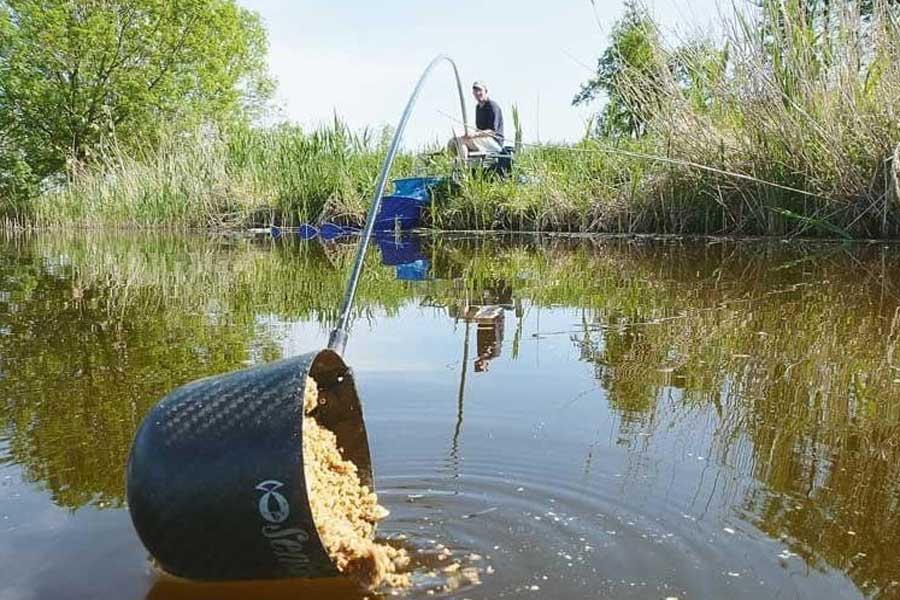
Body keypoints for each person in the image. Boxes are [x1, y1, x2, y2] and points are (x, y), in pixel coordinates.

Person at [448, 81, 504, 159]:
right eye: (475, 91)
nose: (478, 93)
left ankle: (463, 166)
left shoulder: (492, 106)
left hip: (494, 142)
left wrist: (473, 135)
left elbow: (492, 132)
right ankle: (453, 164)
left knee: (462, 141)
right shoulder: (478, 108)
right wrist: (468, 134)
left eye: (480, 90)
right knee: (453, 141)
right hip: (483, 139)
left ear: (486, 91)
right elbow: (479, 130)